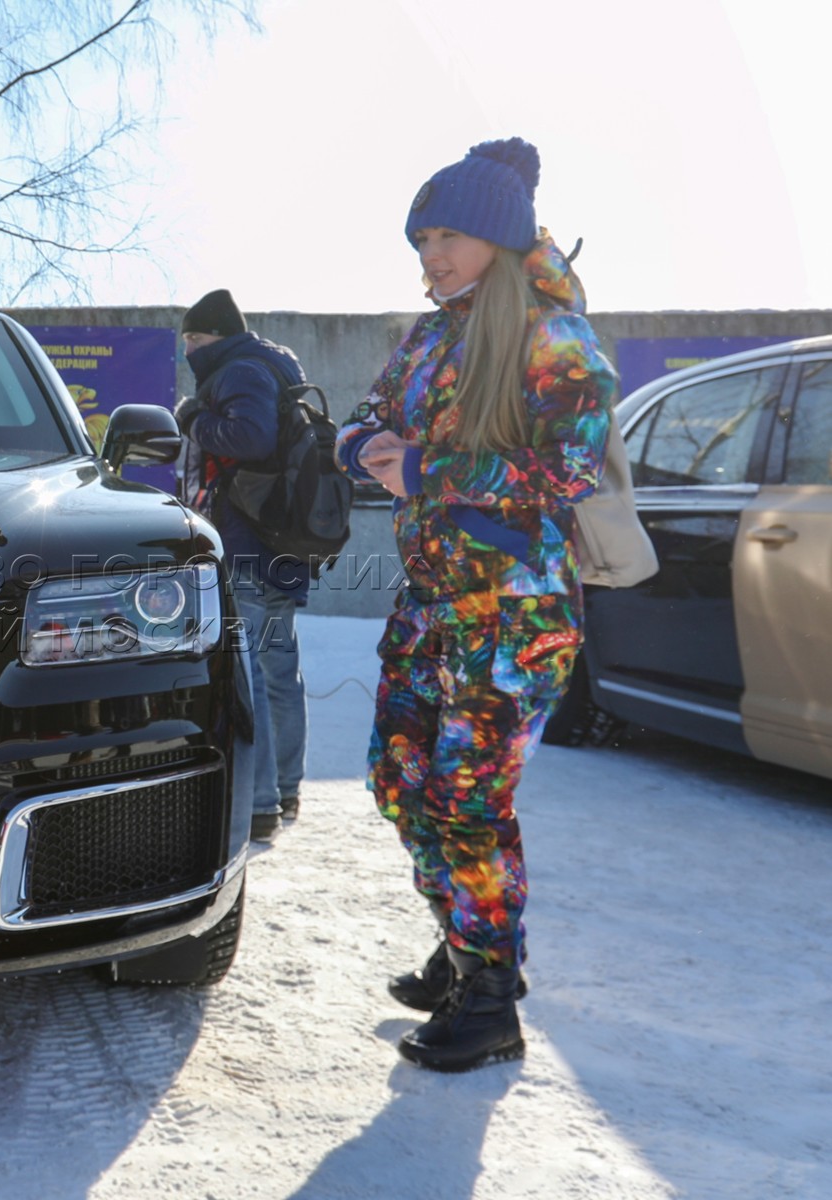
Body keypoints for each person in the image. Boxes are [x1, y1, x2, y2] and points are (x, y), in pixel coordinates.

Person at [335, 137, 613, 1072]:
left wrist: (423, 467)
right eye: (421, 241)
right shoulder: (432, 332)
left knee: (465, 801)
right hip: (430, 603)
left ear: (496, 235)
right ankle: (467, 931)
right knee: (397, 777)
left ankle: (489, 997)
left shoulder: (553, 337)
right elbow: (372, 415)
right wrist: (357, 446)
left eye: (446, 235)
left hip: (513, 614)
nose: (430, 257)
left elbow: (567, 467)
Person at [174, 288, 311, 843]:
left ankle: (259, 804)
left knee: (251, 674)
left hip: (249, 543)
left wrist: (193, 419)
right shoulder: (271, 367)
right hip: (278, 541)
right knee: (279, 671)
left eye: (196, 339)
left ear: (219, 337)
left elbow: (251, 437)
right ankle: (286, 787)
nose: (189, 349)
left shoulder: (238, 372)